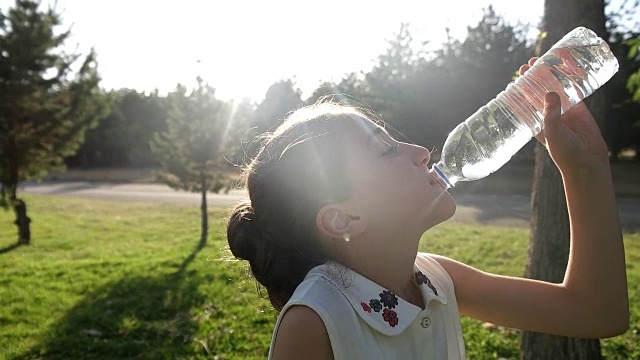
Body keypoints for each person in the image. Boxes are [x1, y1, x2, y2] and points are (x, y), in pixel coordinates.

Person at [226, 58, 629, 359]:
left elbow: (596, 312)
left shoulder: (437, 280)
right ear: (342, 217)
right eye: (386, 150)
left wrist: (586, 166)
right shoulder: (316, 322)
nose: (421, 152)